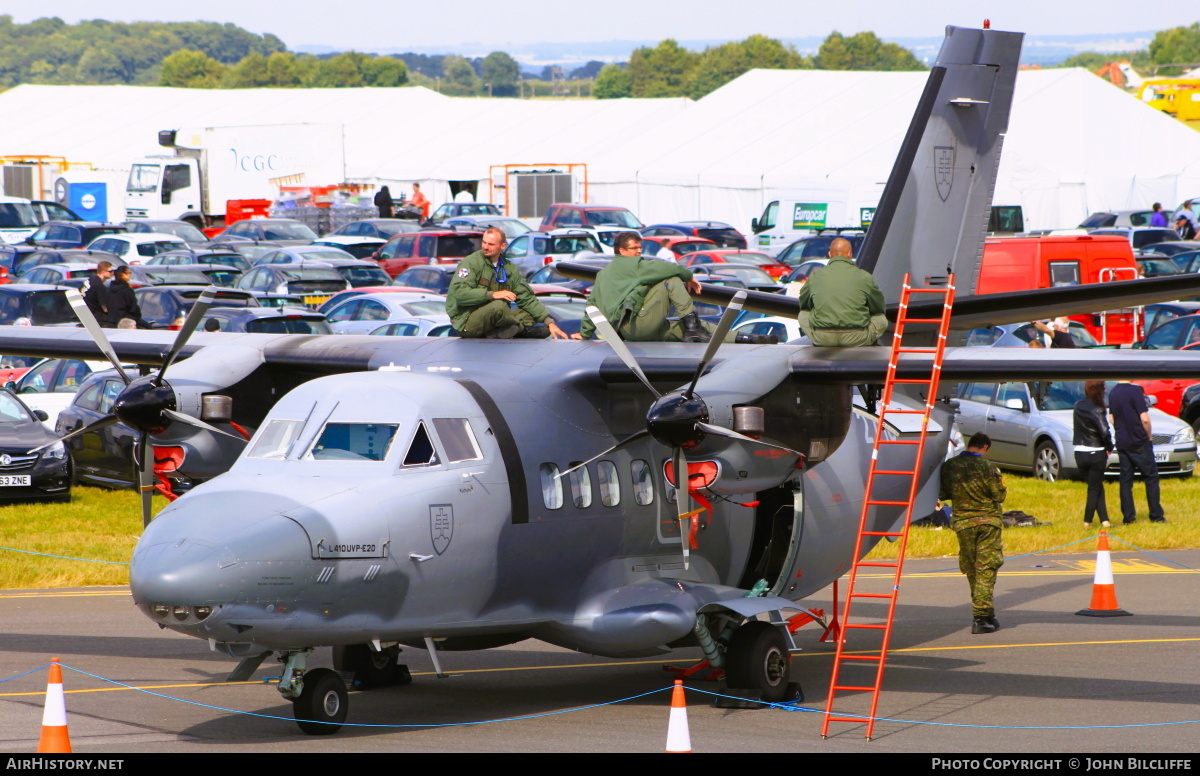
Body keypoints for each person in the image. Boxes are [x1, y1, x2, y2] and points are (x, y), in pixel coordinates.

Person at [573, 231, 738, 343]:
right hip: (640, 327)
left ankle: (745, 338)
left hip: (625, 333)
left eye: (640, 248)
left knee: (699, 329)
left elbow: (592, 306)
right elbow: (670, 268)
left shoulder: (602, 274)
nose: (639, 251)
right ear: (622, 251)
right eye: (634, 248)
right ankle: (692, 326)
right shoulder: (636, 266)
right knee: (671, 280)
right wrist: (689, 277)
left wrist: (584, 334)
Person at [939, 432, 1006, 634]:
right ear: (985, 447)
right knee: (986, 568)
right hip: (988, 523)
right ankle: (980, 617)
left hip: (963, 524)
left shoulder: (951, 465)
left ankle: (987, 613)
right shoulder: (989, 467)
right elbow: (999, 495)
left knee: (972, 568)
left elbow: (944, 493)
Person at [446, 227, 567, 340]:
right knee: (498, 306)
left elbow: (527, 298)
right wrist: (492, 294)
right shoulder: (471, 263)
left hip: (494, 321)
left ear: (502, 246)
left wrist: (549, 322)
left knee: (529, 313)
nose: (486, 247)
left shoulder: (508, 268)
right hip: (467, 320)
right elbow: (460, 294)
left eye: (491, 244)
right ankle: (521, 330)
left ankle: (500, 332)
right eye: (484, 242)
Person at [796, 237, 887, 346]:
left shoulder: (815, 276)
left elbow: (804, 304)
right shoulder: (864, 276)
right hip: (856, 337)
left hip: (823, 338)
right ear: (849, 253)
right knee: (881, 317)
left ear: (830, 254)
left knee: (803, 314)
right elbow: (878, 307)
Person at [1108, 380, 1166, 524]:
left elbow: (1111, 418)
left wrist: (1121, 430)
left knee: (1126, 481)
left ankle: (1128, 518)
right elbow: (1144, 419)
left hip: (1122, 441)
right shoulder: (1135, 391)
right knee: (1151, 477)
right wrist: (1149, 436)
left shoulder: (1113, 392)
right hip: (1138, 441)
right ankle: (1156, 515)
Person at [1073, 380, 1113, 529]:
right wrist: (1110, 447)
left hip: (1079, 453)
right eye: (1104, 388)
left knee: (1096, 486)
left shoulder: (1078, 405)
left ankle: (1105, 521)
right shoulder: (1098, 409)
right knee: (1094, 489)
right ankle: (1087, 522)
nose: (1105, 391)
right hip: (1096, 452)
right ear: (1099, 390)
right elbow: (1104, 431)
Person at [84, 261, 114, 326]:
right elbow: (105, 308)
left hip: (85, 315)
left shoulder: (90, 280)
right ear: (103, 272)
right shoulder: (99, 286)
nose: (113, 273)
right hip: (95, 317)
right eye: (110, 271)